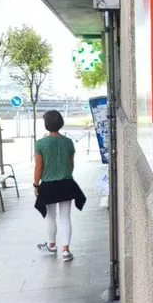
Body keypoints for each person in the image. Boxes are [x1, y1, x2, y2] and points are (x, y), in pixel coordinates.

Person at [33, 110, 86, 261]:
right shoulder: (68, 142)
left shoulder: (40, 144)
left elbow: (38, 167)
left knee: (51, 217)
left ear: (46, 124)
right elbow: (71, 164)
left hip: (48, 185)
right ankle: (66, 251)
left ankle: (51, 246)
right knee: (65, 217)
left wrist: (36, 185)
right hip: (66, 184)